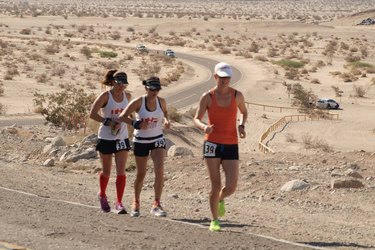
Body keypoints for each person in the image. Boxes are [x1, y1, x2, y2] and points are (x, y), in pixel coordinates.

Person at [194, 62, 248, 232]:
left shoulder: (237, 95)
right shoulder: (207, 96)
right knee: (215, 185)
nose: (225, 81)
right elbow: (196, 118)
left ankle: (220, 199)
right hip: (212, 143)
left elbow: (244, 112)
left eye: (227, 78)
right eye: (222, 77)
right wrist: (204, 127)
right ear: (215, 77)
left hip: (231, 143)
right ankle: (214, 220)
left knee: (231, 186)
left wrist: (241, 126)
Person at [118, 76, 170, 217]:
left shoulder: (161, 101)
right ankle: (136, 201)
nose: (155, 92)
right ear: (146, 88)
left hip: (157, 138)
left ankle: (156, 204)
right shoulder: (138, 102)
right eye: (152, 89)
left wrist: (166, 120)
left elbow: (165, 112)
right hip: (141, 140)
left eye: (158, 89)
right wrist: (136, 124)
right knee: (141, 174)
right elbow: (122, 116)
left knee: (159, 169)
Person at [89, 69, 131, 214]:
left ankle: (119, 202)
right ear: (113, 82)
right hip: (106, 137)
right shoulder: (106, 96)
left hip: (122, 137)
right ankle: (102, 194)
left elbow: (129, 114)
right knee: (107, 172)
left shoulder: (128, 96)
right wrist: (107, 121)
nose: (121, 87)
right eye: (119, 84)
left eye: (124, 84)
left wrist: (134, 122)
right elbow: (92, 114)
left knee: (121, 171)